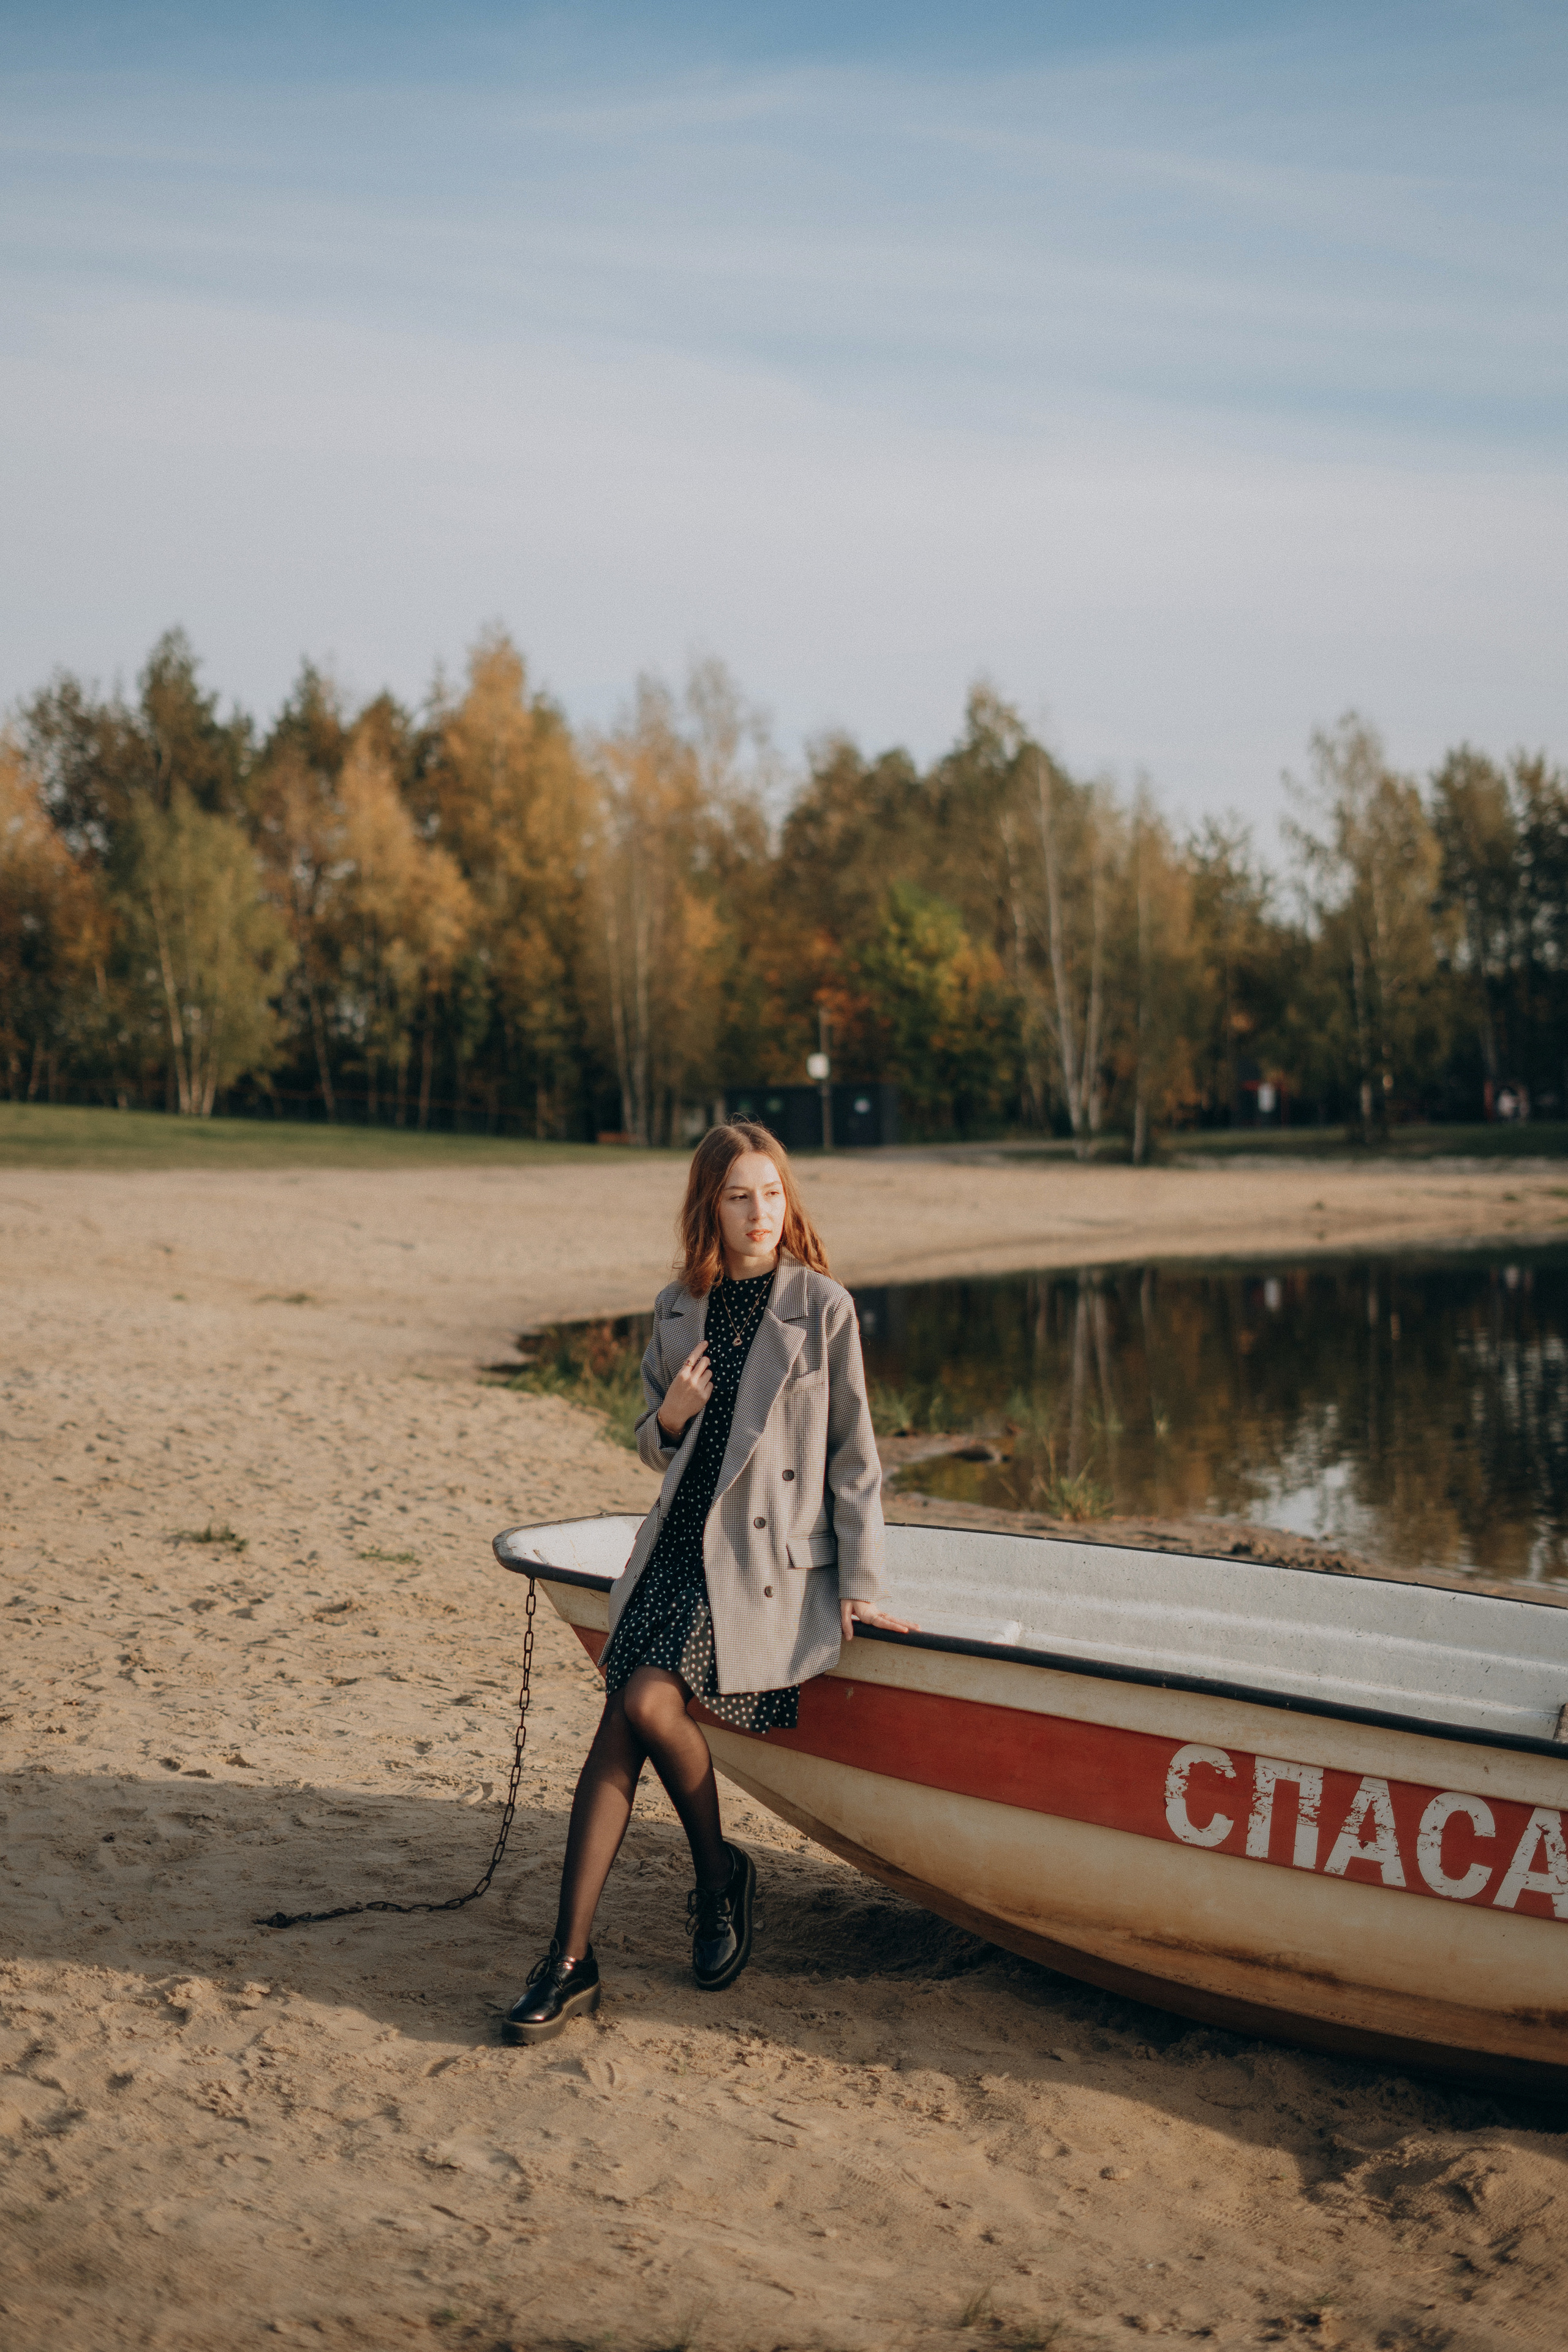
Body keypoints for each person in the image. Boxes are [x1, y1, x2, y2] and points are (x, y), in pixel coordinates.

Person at [503, 1120, 916, 2044]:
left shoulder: (824, 1308)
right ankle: (630, 1927)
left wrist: (860, 1579)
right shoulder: (678, 1307)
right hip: (676, 1555)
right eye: (739, 1196)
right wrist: (675, 1415)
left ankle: (614, 1938)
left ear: (788, 1201)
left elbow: (856, 1460)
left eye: (771, 1193)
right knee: (632, 1714)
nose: (759, 1212)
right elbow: (654, 1444)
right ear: (710, 1209)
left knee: (639, 1710)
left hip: (763, 1570)